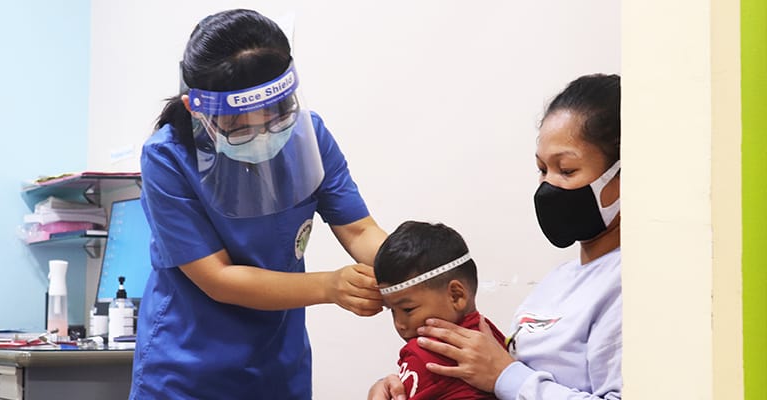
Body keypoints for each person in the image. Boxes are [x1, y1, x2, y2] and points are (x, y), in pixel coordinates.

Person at [131, 9, 388, 399]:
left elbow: (359, 230)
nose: (264, 135)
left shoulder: (310, 137)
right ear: (195, 108)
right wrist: (331, 286)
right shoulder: (167, 158)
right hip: (189, 370)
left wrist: (410, 268)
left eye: (277, 116)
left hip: (279, 365)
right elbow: (218, 278)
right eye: (240, 126)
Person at [368, 73, 622, 400]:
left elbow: (506, 377)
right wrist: (410, 384)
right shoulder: (560, 281)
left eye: (567, 170)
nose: (548, 187)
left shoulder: (628, 286)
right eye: (543, 169)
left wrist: (505, 375)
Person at [374, 221, 507, 399]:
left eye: (408, 309)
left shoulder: (425, 356)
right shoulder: (496, 341)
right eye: (392, 311)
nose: (400, 325)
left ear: (456, 296)